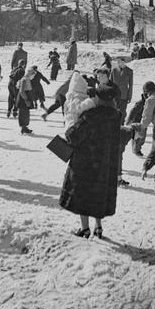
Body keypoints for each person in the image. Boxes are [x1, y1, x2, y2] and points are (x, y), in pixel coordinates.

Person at [59, 78, 121, 239]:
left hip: (85, 163)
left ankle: (85, 228)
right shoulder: (115, 117)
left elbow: (73, 136)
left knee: (83, 197)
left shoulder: (90, 116)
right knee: (98, 197)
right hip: (105, 164)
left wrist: (72, 118)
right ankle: (99, 227)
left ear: (97, 99)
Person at [15, 67, 37, 135]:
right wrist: (26, 100)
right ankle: (23, 128)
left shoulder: (27, 79)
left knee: (26, 113)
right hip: (23, 99)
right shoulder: (24, 79)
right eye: (33, 74)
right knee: (23, 113)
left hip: (26, 97)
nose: (33, 76)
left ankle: (25, 127)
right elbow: (22, 91)